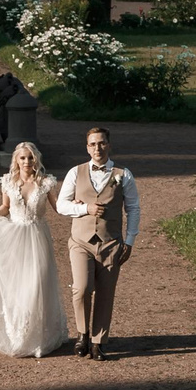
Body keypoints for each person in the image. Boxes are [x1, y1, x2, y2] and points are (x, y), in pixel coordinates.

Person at [0, 141, 71, 357]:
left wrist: (79, 208)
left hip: (37, 236)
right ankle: (19, 337)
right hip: (14, 237)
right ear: (16, 160)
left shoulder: (46, 183)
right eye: (22, 158)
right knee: (17, 286)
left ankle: (39, 338)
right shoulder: (8, 182)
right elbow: (5, 207)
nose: (27, 161)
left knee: (38, 283)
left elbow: (58, 207)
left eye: (30, 157)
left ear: (36, 159)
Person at [56, 128, 139, 360]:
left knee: (105, 293)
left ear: (109, 145)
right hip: (81, 241)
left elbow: (133, 209)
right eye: (92, 144)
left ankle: (98, 342)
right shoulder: (76, 172)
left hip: (111, 242)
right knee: (81, 288)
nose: (97, 148)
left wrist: (129, 240)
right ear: (87, 147)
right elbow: (62, 206)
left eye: (101, 143)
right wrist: (84, 208)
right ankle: (82, 334)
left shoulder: (124, 175)